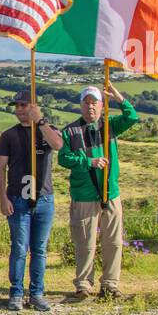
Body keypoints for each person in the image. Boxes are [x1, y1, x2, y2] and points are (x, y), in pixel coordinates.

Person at [57, 83, 138, 299]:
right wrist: (88, 161)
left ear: (102, 106)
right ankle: (83, 285)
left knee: (113, 241)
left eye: (95, 103)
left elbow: (132, 117)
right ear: (80, 106)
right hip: (84, 195)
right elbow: (63, 158)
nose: (90, 107)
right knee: (85, 242)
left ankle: (110, 284)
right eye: (87, 103)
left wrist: (119, 98)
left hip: (110, 193)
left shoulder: (110, 126)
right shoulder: (71, 131)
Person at [0, 91, 62, 311]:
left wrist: (40, 121)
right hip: (17, 198)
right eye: (18, 106)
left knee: (40, 249)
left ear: (34, 106)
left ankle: (37, 292)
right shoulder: (8, 135)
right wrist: (3, 198)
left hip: (44, 198)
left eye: (25, 105)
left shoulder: (46, 130)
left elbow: (58, 145)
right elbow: (0, 168)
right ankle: (16, 292)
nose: (21, 109)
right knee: (20, 247)